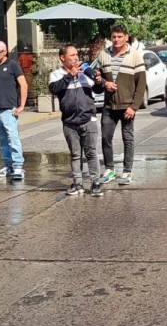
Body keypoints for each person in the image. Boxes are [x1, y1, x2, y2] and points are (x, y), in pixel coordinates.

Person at [50, 44, 104, 197]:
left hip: (88, 119)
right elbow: (54, 89)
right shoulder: (56, 74)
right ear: (62, 58)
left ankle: (95, 183)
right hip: (69, 122)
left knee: (91, 153)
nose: (76, 58)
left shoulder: (85, 72)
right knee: (75, 154)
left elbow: (98, 89)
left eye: (76, 55)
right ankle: (78, 183)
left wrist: (99, 80)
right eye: (72, 55)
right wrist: (70, 75)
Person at [96, 23, 146, 186]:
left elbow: (141, 84)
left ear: (126, 37)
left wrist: (134, 106)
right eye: (113, 37)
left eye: (119, 37)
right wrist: (104, 83)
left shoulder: (135, 55)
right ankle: (109, 169)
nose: (116, 40)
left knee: (128, 138)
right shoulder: (103, 54)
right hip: (109, 106)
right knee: (105, 138)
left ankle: (127, 171)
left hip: (127, 106)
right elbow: (96, 82)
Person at [0, 40, 27, 181]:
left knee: (12, 137)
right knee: (2, 138)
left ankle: (17, 165)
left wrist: (21, 105)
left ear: (4, 51)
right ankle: (8, 164)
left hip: (9, 108)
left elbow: (23, 84)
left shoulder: (13, 65)